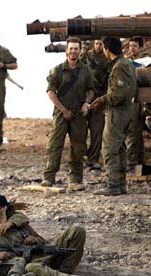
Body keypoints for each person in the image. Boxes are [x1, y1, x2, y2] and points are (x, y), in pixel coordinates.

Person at [41, 37, 94, 192]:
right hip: (60, 112)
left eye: (76, 49)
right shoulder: (57, 70)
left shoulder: (86, 70)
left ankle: (75, 179)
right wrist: (63, 110)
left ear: (80, 51)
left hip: (78, 113)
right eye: (71, 48)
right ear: (66, 51)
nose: (73, 51)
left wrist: (86, 103)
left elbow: (91, 90)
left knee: (78, 146)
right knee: (54, 145)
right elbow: (50, 92)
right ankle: (49, 178)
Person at [92, 37, 136, 195]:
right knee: (120, 149)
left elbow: (118, 94)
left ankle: (113, 185)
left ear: (107, 49)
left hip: (117, 112)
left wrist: (102, 100)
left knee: (109, 148)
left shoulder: (119, 66)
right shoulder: (127, 64)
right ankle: (121, 185)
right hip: (126, 111)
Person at [84, 39, 109, 170]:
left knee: (97, 131)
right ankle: (82, 156)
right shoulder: (85, 56)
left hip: (99, 100)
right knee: (79, 131)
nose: (99, 46)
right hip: (84, 99)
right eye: (97, 43)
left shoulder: (107, 59)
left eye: (101, 44)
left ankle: (93, 158)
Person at [126, 37, 146, 171]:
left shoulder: (146, 62)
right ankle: (136, 162)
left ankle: (135, 162)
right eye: (130, 46)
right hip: (132, 100)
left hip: (144, 99)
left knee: (136, 131)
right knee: (134, 130)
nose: (131, 48)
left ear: (140, 48)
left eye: (134, 46)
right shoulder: (127, 63)